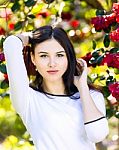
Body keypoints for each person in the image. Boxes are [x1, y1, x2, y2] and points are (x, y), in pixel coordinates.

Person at [3, 25, 109, 150]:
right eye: (43, 55)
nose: (52, 63)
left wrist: (83, 88)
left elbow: (97, 134)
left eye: (59, 55)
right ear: (33, 58)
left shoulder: (92, 96)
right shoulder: (28, 99)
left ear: (68, 57)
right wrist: (33, 36)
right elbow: (11, 43)